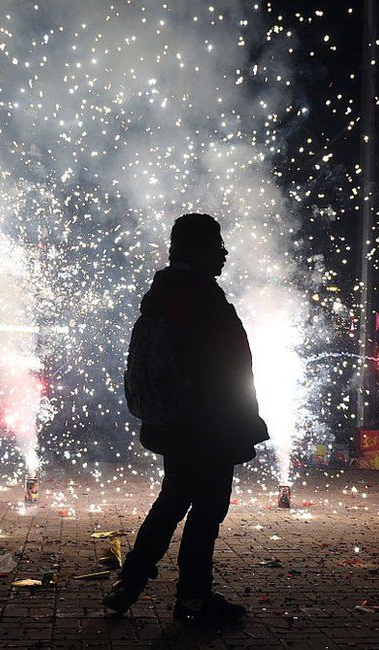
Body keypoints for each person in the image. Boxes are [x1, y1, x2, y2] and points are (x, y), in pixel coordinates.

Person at [102, 213, 269, 623]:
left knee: (173, 501)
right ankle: (193, 598)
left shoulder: (170, 290)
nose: (225, 253)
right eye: (217, 244)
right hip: (206, 423)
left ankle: (132, 583)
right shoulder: (195, 293)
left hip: (183, 422)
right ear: (195, 249)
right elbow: (214, 364)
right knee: (207, 509)